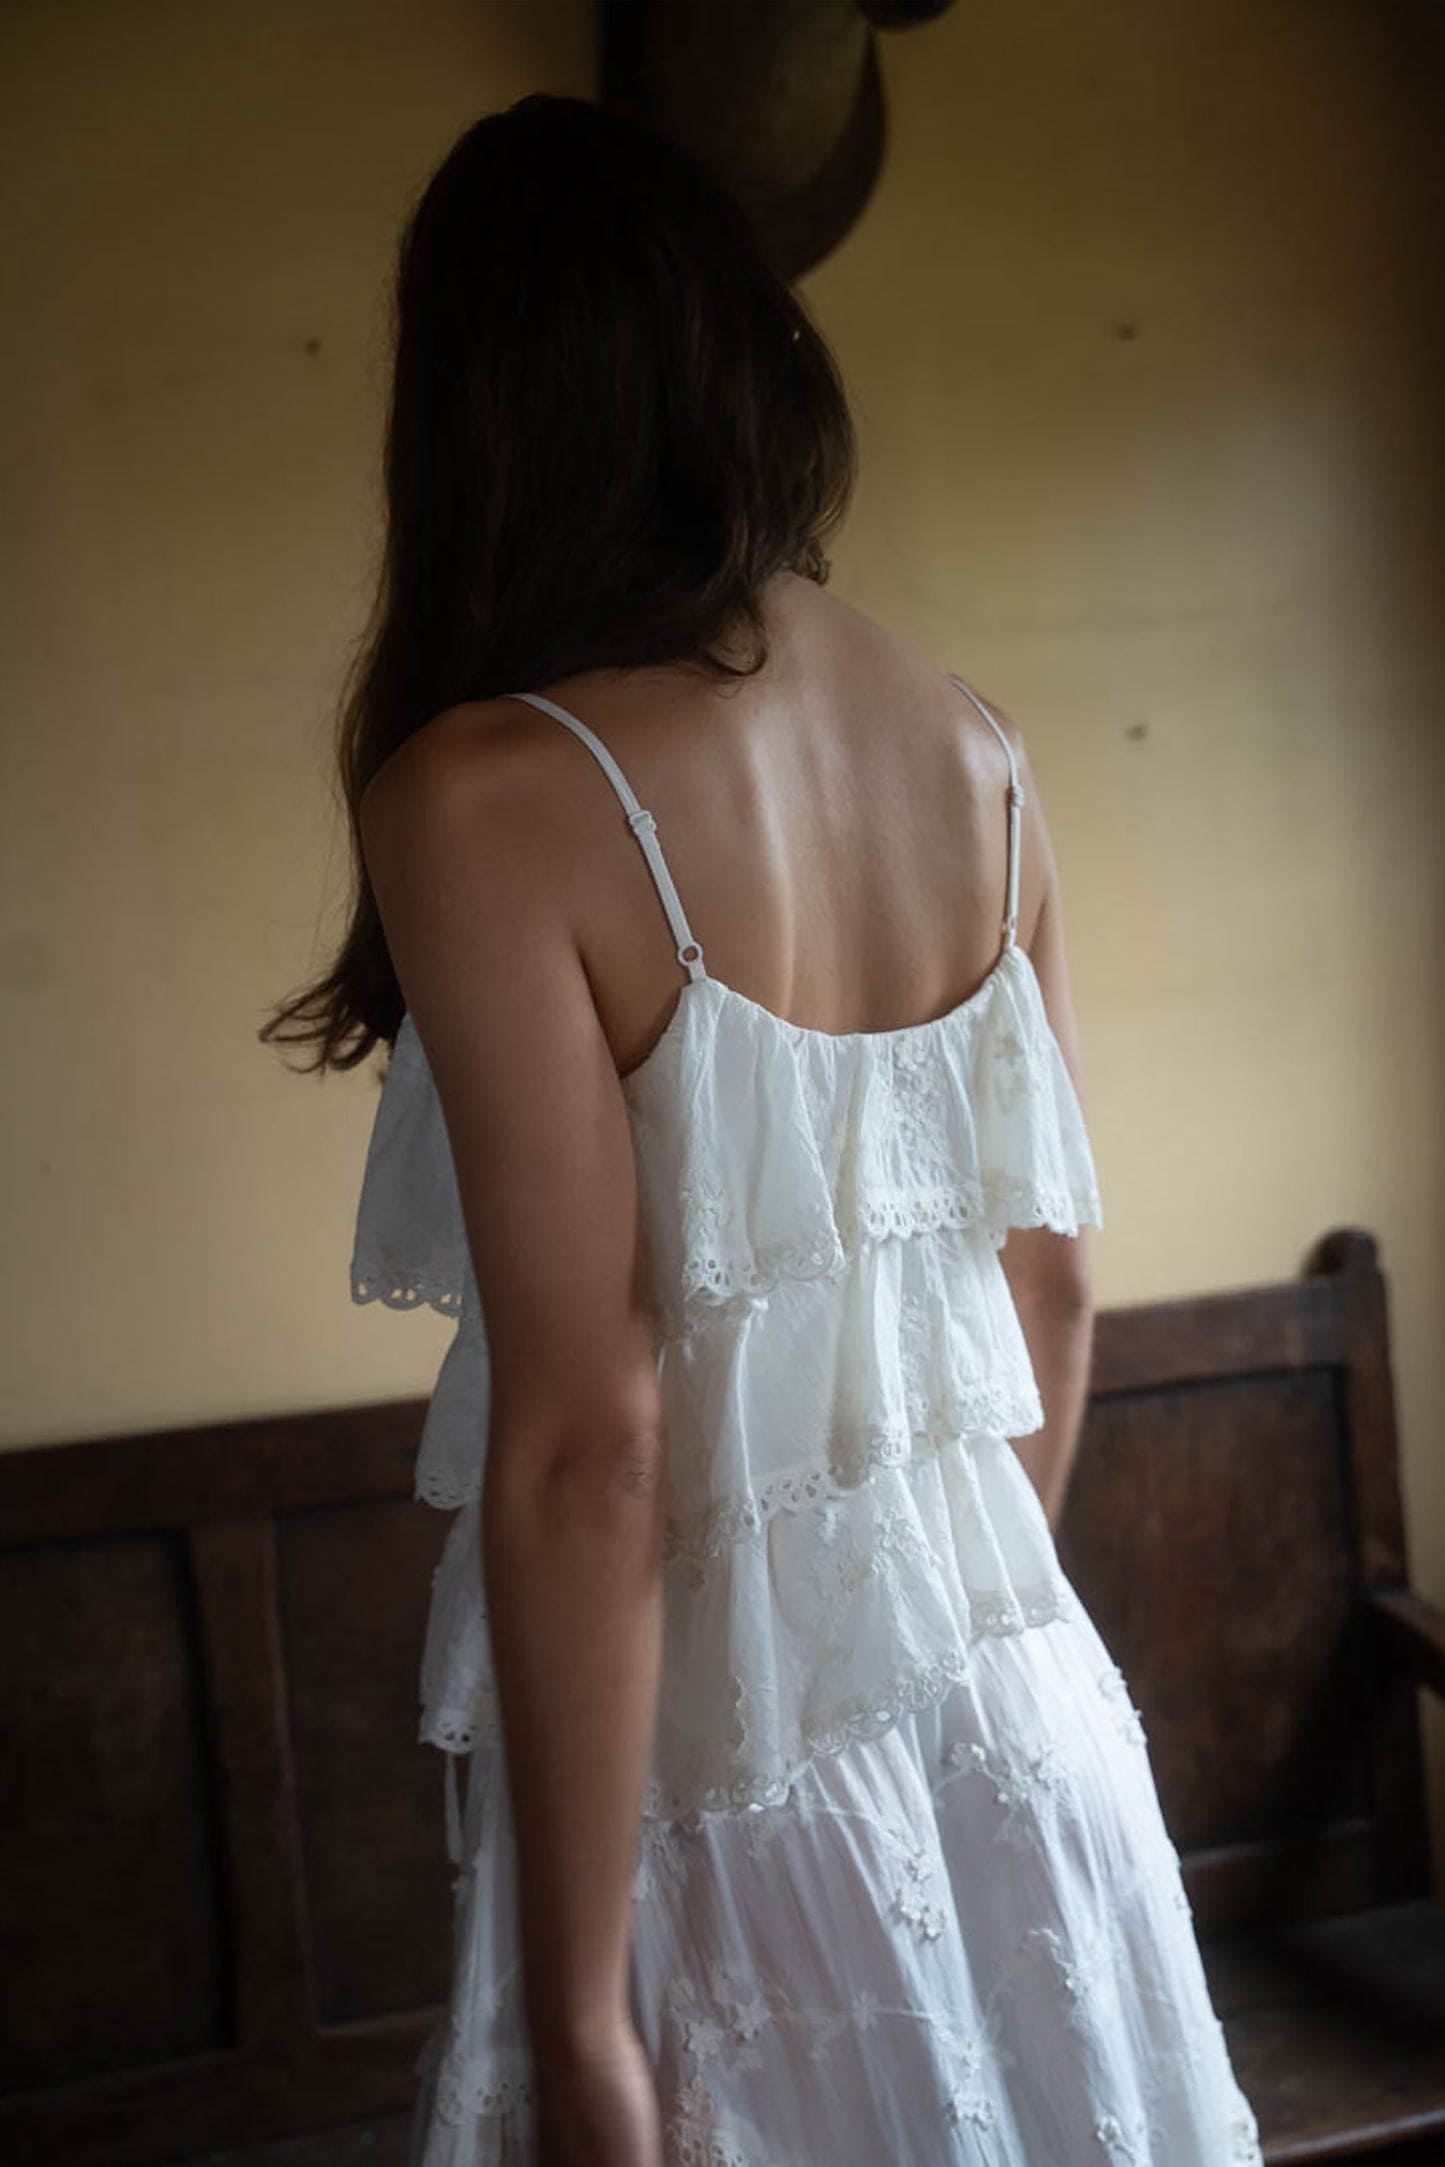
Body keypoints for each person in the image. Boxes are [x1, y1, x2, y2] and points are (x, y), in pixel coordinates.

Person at [264, 90, 1264, 2167]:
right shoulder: (973, 745)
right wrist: (929, 1649)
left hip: (721, 1812)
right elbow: (1058, 1285)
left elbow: (590, 1434)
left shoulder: (481, 795)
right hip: (1025, 1742)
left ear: (478, 420)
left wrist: (581, 2030)